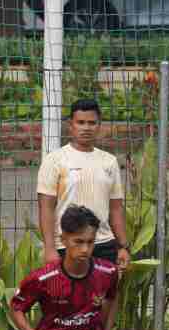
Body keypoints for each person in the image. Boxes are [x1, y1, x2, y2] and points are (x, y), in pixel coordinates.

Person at [37, 99, 130, 273]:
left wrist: (123, 246)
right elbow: (46, 207)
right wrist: (50, 248)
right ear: (70, 125)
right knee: (68, 298)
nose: (86, 128)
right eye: (80, 122)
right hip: (67, 245)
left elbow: (116, 209)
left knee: (104, 299)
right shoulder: (55, 160)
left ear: (99, 126)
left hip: (103, 244)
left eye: (91, 123)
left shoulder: (109, 161)